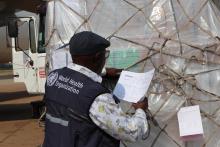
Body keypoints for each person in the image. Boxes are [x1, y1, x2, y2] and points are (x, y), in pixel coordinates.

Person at [43, 31, 149, 147]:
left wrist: (103, 72)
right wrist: (140, 110)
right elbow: (131, 132)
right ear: (97, 57)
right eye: (105, 55)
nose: (105, 59)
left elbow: (77, 75)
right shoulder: (97, 98)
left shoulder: (53, 77)